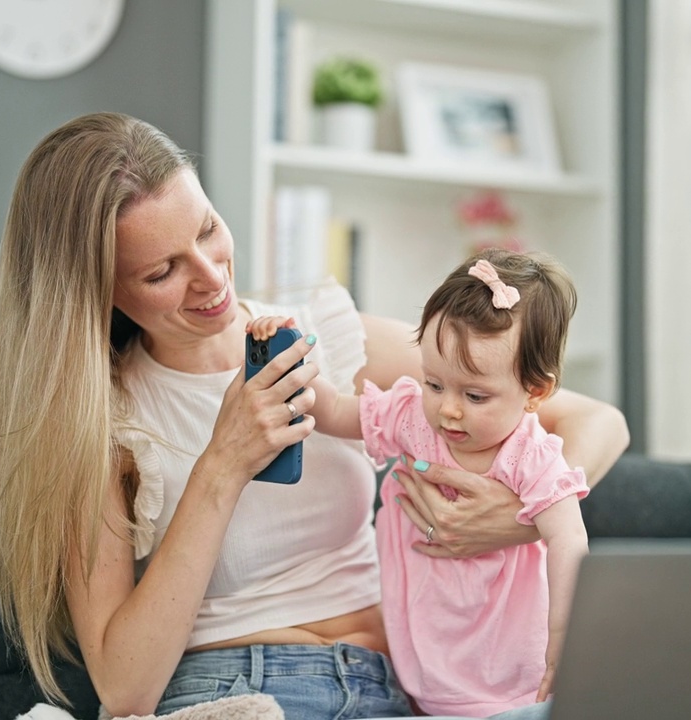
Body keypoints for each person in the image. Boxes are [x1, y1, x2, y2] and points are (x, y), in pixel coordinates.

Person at [0, 112, 629, 720]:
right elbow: (125, 686)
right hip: (238, 688)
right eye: (163, 271)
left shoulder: (328, 340)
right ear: (103, 292)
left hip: (396, 689)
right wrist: (223, 462)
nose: (211, 278)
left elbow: (598, 422)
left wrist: (515, 519)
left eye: (207, 229)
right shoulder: (106, 423)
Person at [247, 248, 589, 717]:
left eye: (474, 395)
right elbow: (333, 410)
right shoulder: (412, 419)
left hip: (515, 671)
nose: (448, 409)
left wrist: (563, 637)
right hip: (424, 667)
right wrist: (287, 356)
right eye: (434, 383)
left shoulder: (530, 456)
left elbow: (569, 538)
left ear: (536, 392)